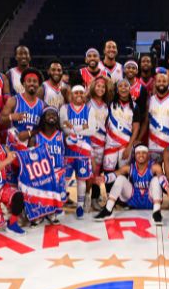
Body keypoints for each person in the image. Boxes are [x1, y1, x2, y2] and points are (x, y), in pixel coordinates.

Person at [93, 145, 167, 225]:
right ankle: (108, 210)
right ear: (134, 155)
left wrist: (167, 187)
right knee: (120, 178)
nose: (141, 155)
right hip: (133, 200)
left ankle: (156, 213)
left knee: (156, 180)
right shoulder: (129, 167)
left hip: (150, 200)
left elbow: (161, 177)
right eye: (138, 153)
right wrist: (104, 179)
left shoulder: (155, 167)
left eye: (144, 153)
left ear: (148, 154)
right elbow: (115, 174)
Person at [61, 85, 93, 218]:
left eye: (81, 92)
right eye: (76, 92)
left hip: (83, 151)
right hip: (68, 151)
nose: (79, 94)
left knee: (81, 180)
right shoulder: (64, 108)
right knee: (64, 180)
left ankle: (79, 206)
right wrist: (82, 127)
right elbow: (63, 127)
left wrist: (73, 128)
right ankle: (59, 205)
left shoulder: (90, 108)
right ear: (71, 95)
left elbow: (92, 130)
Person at [31, 106, 67, 224]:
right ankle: (41, 214)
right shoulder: (36, 137)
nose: (52, 116)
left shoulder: (62, 136)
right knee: (42, 195)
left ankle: (51, 214)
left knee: (55, 196)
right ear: (43, 118)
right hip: (42, 173)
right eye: (48, 114)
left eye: (54, 114)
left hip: (58, 172)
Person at [103, 79, 143, 179]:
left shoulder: (135, 106)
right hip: (110, 143)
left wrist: (129, 147)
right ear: (117, 90)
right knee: (108, 170)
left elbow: (136, 128)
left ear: (130, 89)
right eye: (121, 86)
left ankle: (123, 194)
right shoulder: (110, 104)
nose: (123, 88)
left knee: (124, 172)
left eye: (126, 86)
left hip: (125, 145)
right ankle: (109, 193)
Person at [1, 67, 45, 148]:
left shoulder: (43, 105)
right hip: (14, 146)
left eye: (35, 81)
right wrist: (11, 117)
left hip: (33, 147)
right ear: (23, 84)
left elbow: (44, 128)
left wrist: (30, 133)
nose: (32, 83)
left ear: (38, 84)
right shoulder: (13, 100)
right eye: (29, 81)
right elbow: (0, 120)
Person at [87, 76, 111, 211]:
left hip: (102, 142)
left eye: (103, 87)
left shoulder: (106, 106)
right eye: (98, 86)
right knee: (88, 172)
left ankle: (95, 198)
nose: (101, 89)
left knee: (97, 172)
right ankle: (84, 197)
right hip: (89, 141)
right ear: (93, 87)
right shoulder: (88, 103)